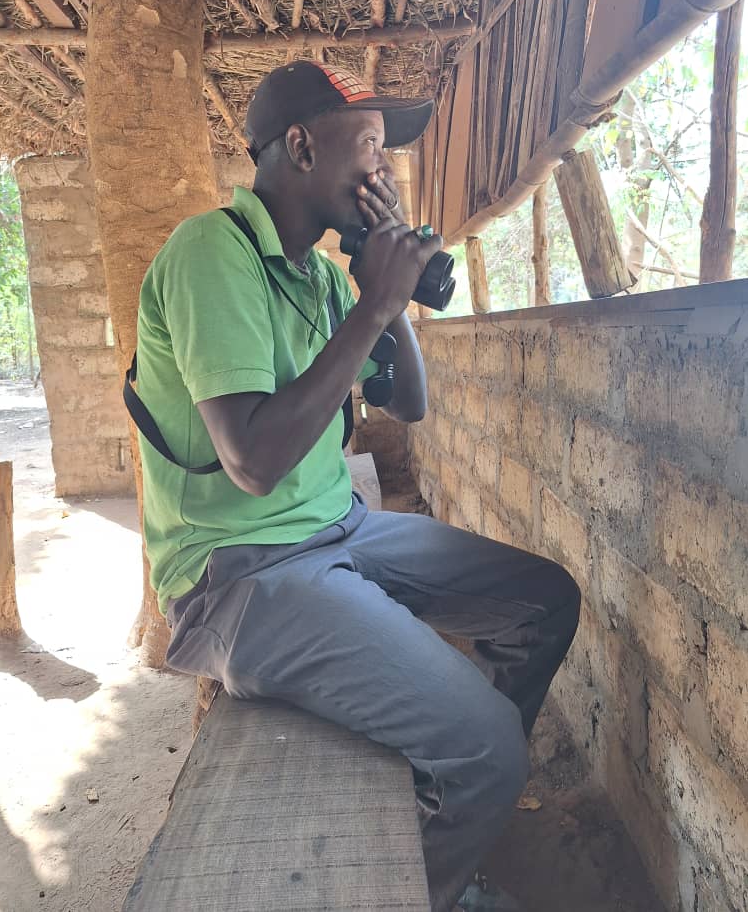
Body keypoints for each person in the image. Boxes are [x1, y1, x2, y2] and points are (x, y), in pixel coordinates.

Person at [133, 61, 581, 912]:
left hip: (338, 529)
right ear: (300, 146)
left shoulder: (320, 277)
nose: (382, 171)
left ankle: (445, 804)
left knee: (540, 599)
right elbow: (254, 464)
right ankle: (434, 878)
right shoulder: (211, 253)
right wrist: (372, 305)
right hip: (241, 576)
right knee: (488, 750)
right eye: (370, 145)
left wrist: (390, 292)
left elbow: (405, 404)